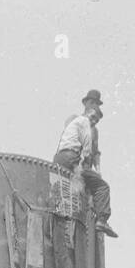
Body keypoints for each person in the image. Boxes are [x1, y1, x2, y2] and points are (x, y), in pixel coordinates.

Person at [53, 90, 117, 237]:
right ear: (86, 105)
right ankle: (102, 220)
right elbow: (88, 150)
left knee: (86, 185)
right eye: (92, 103)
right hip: (74, 159)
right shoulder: (83, 122)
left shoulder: (82, 124)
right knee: (102, 186)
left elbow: (95, 152)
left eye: (97, 119)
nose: (94, 120)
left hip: (61, 158)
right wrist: (85, 167)